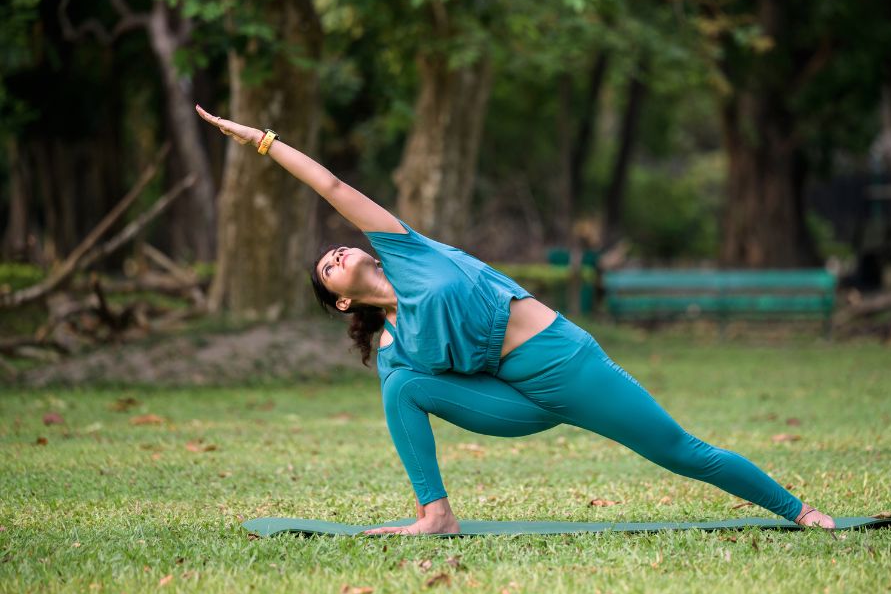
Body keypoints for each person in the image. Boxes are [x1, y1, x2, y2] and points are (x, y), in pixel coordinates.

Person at [196, 104, 836, 535]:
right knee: (401, 387)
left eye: (336, 249)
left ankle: (797, 510)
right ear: (340, 301)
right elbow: (419, 396)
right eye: (326, 268)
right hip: (511, 400)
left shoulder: (403, 246)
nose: (334, 255)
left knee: (677, 450)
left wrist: (262, 141)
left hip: (563, 362)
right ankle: (435, 514)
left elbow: (332, 187)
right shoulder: (396, 346)